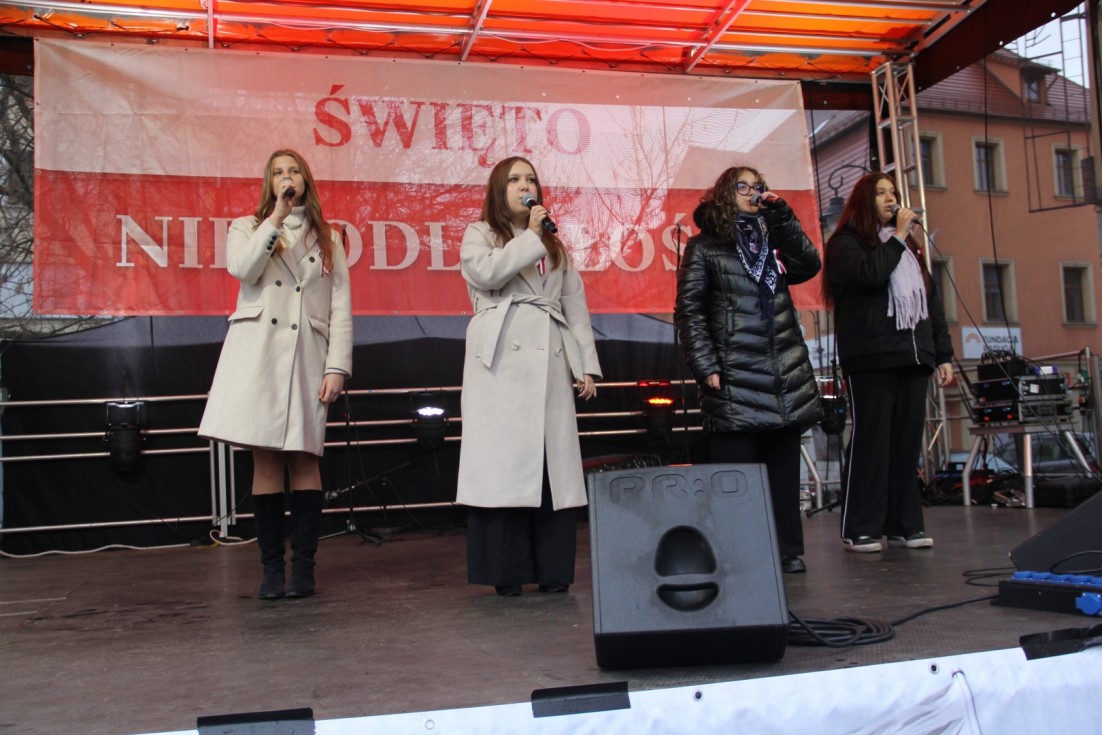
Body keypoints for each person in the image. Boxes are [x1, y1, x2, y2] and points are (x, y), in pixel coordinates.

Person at [199, 149, 352, 598]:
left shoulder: (329, 236)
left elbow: (340, 304)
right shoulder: (247, 227)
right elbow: (243, 270)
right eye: (279, 172)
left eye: (294, 171)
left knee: (304, 459)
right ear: (269, 183)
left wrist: (337, 366)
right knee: (265, 460)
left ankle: (303, 569)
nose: (287, 177)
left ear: (306, 179)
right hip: (260, 357)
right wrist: (276, 219)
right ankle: (270, 570)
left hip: (307, 356)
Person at [456, 156, 602, 597]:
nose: (526, 186)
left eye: (531, 179)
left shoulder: (555, 246)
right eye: (515, 179)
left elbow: (574, 305)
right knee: (505, 464)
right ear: (498, 189)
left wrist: (585, 364)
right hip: (500, 360)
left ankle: (552, 569)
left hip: (549, 356)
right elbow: (487, 273)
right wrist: (531, 236)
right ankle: (508, 571)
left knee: (550, 464)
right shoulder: (480, 233)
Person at [675, 165, 823, 574]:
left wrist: (783, 217)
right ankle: (740, 553)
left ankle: (787, 550)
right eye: (742, 185)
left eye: (758, 186)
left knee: (783, 470)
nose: (752, 191)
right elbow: (690, 311)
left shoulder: (774, 237)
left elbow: (809, 265)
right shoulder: (705, 247)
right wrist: (705, 364)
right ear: (724, 192)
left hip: (781, 369)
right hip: (734, 372)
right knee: (736, 478)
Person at [823, 172, 953, 553]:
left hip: (913, 357)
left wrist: (942, 354)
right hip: (871, 358)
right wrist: (897, 237)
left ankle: (904, 525)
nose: (890, 198)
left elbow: (931, 301)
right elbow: (870, 276)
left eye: (893, 192)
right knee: (872, 441)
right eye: (880, 192)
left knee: (906, 444)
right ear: (864, 201)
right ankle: (860, 527)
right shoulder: (846, 244)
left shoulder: (910, 250)